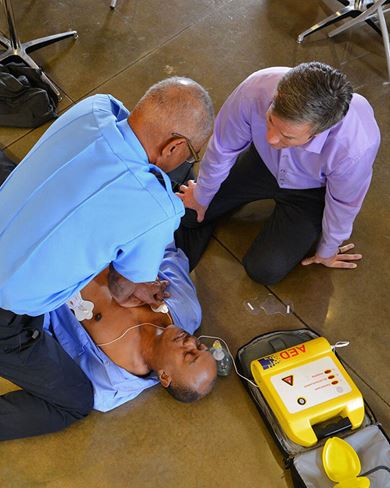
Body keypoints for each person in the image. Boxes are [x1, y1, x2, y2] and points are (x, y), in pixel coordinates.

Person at [0, 78, 214, 438]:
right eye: (190, 154)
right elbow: (127, 281)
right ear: (175, 145)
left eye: (190, 355)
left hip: (12, 215)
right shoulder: (156, 213)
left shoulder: (96, 106)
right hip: (12, 291)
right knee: (74, 402)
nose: (192, 342)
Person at [175, 62, 380, 284]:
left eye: (287, 136)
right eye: (270, 120)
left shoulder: (356, 146)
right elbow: (223, 147)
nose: (271, 138)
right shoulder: (256, 88)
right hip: (263, 162)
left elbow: (344, 203)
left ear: (319, 132)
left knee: (263, 269)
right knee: (188, 215)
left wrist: (328, 248)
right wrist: (203, 195)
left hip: (311, 191)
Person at [0, 243, 216, 440]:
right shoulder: (187, 309)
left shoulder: (108, 384)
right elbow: (166, 250)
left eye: (189, 355)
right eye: (199, 345)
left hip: (38, 275)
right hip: (85, 236)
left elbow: (42, 342)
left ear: (165, 377)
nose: (190, 342)